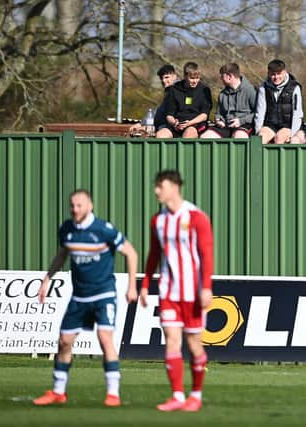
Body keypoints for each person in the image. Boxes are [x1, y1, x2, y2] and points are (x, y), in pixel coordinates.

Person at [33, 190, 138, 407]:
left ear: (90, 205)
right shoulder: (67, 229)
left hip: (103, 294)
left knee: (105, 339)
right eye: (72, 205)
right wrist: (47, 278)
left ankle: (113, 393)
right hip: (79, 297)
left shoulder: (103, 229)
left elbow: (131, 253)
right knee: (64, 342)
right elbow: (62, 254)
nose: (75, 209)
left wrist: (132, 287)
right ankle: (58, 391)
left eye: (79, 205)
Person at [140, 170, 214, 412]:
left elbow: (207, 253)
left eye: (160, 186)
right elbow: (154, 255)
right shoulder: (157, 220)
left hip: (193, 292)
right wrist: (144, 284)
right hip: (169, 292)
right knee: (171, 340)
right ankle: (177, 396)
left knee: (194, 344)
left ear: (174, 187)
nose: (156, 191)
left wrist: (206, 288)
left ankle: (196, 394)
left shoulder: (196, 217)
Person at [200, 63, 257, 139]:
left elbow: (257, 113)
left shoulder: (250, 90)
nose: (221, 79)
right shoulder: (223, 94)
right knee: (205, 137)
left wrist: (241, 121)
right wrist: (219, 120)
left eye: (222, 76)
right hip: (226, 126)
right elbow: (219, 113)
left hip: (244, 125)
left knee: (239, 137)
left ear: (229, 76)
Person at [253, 59, 303, 144]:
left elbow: (297, 114)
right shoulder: (263, 88)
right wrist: (258, 131)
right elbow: (260, 112)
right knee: (260, 139)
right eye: (273, 74)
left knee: (279, 139)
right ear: (268, 74)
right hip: (270, 125)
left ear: (284, 72)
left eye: (279, 74)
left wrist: (292, 134)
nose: (276, 77)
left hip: (287, 125)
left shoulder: (294, 87)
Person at [157, 62, 212, 139]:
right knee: (161, 135)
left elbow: (204, 116)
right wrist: (175, 123)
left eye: (197, 78)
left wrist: (189, 123)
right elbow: (169, 115)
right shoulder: (174, 89)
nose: (195, 81)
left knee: (188, 134)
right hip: (177, 125)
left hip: (195, 124)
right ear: (185, 76)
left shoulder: (204, 90)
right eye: (192, 78)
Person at [129, 64, 179, 136]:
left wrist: (144, 124)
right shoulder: (169, 91)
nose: (164, 81)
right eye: (162, 78)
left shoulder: (178, 90)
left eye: (167, 77)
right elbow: (160, 110)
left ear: (174, 76)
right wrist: (142, 123)